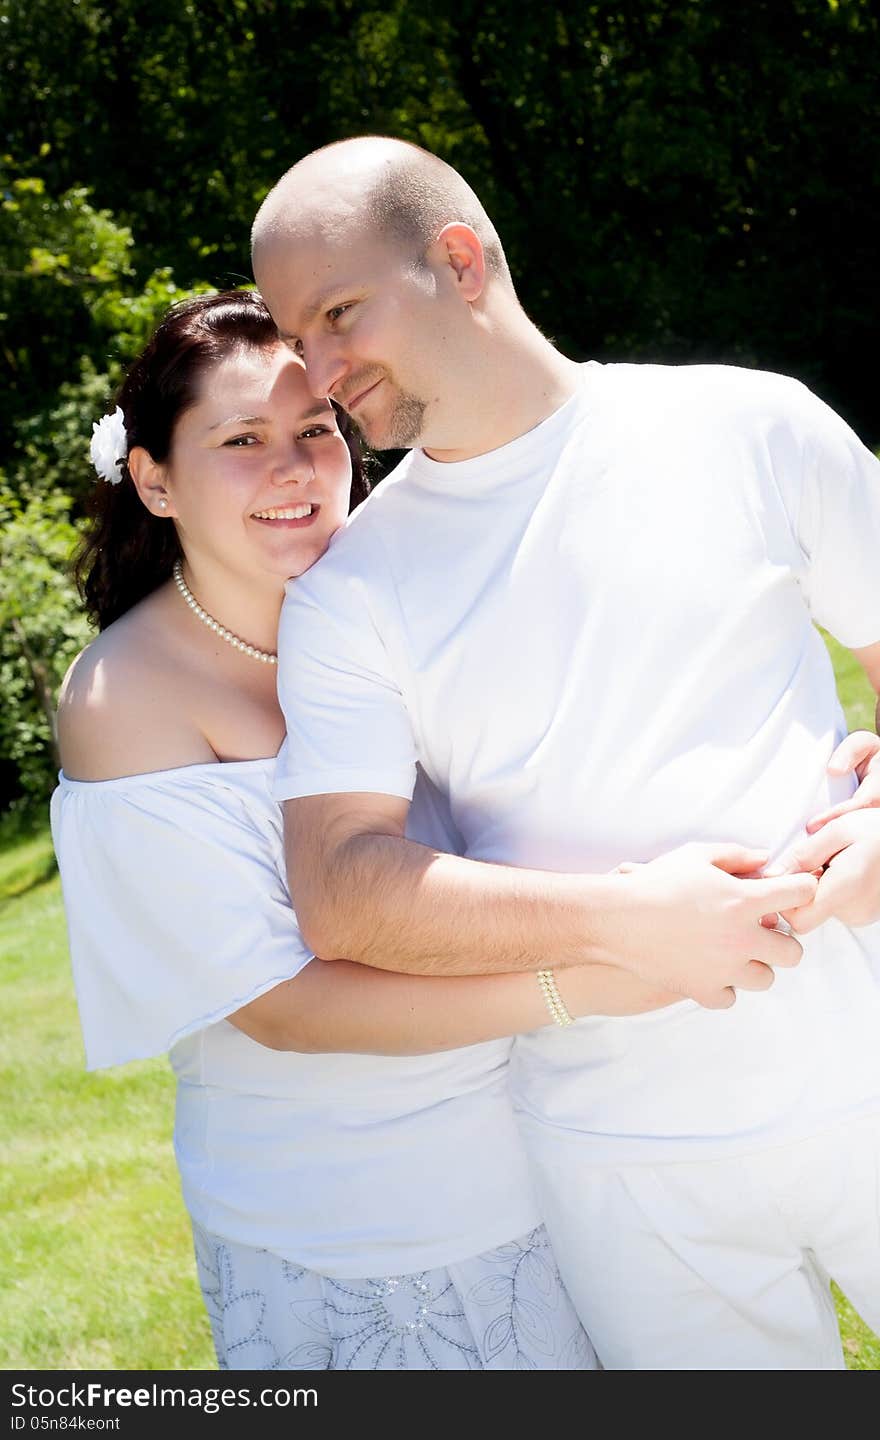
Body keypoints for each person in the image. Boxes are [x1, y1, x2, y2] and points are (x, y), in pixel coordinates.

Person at [250, 135, 880, 1370]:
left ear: (459, 258)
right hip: (628, 1169)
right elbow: (339, 885)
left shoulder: (746, 423)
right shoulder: (350, 593)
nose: (318, 375)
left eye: (338, 314)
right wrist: (619, 920)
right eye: (294, 338)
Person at [51, 287, 686, 1373]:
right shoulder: (124, 700)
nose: (294, 467)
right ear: (153, 478)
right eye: (241, 440)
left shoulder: (402, 588)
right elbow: (281, 1011)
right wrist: (591, 974)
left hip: (563, 1148)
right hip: (356, 1221)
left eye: (314, 430)